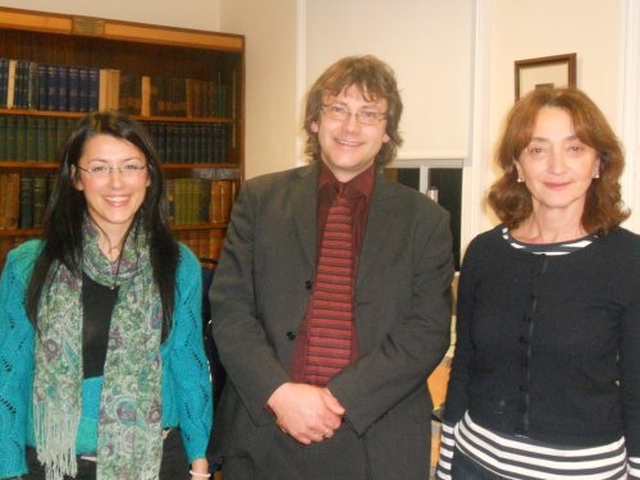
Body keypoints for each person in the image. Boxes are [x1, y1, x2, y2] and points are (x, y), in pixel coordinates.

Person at [209, 54, 454, 479]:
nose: (350, 126)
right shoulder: (259, 200)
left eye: (368, 114)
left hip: (376, 439)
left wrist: (337, 401)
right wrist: (281, 394)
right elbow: (231, 310)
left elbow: (427, 330)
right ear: (315, 122)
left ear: (387, 131)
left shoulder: (426, 220)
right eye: (337, 109)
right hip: (264, 432)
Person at [435, 87, 640, 479]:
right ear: (517, 165)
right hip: (474, 464)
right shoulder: (484, 252)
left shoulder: (628, 260)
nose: (557, 167)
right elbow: (465, 366)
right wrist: (446, 466)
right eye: (538, 149)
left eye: (575, 148)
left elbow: (638, 388)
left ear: (599, 163)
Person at [0, 111, 213, 480]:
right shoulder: (27, 264)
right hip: (54, 464)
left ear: (148, 176)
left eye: (130, 166)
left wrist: (199, 460)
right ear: (75, 179)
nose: (117, 183)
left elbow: (188, 366)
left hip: (158, 461)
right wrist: (7, 467)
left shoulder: (179, 264)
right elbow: (9, 375)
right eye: (99, 168)